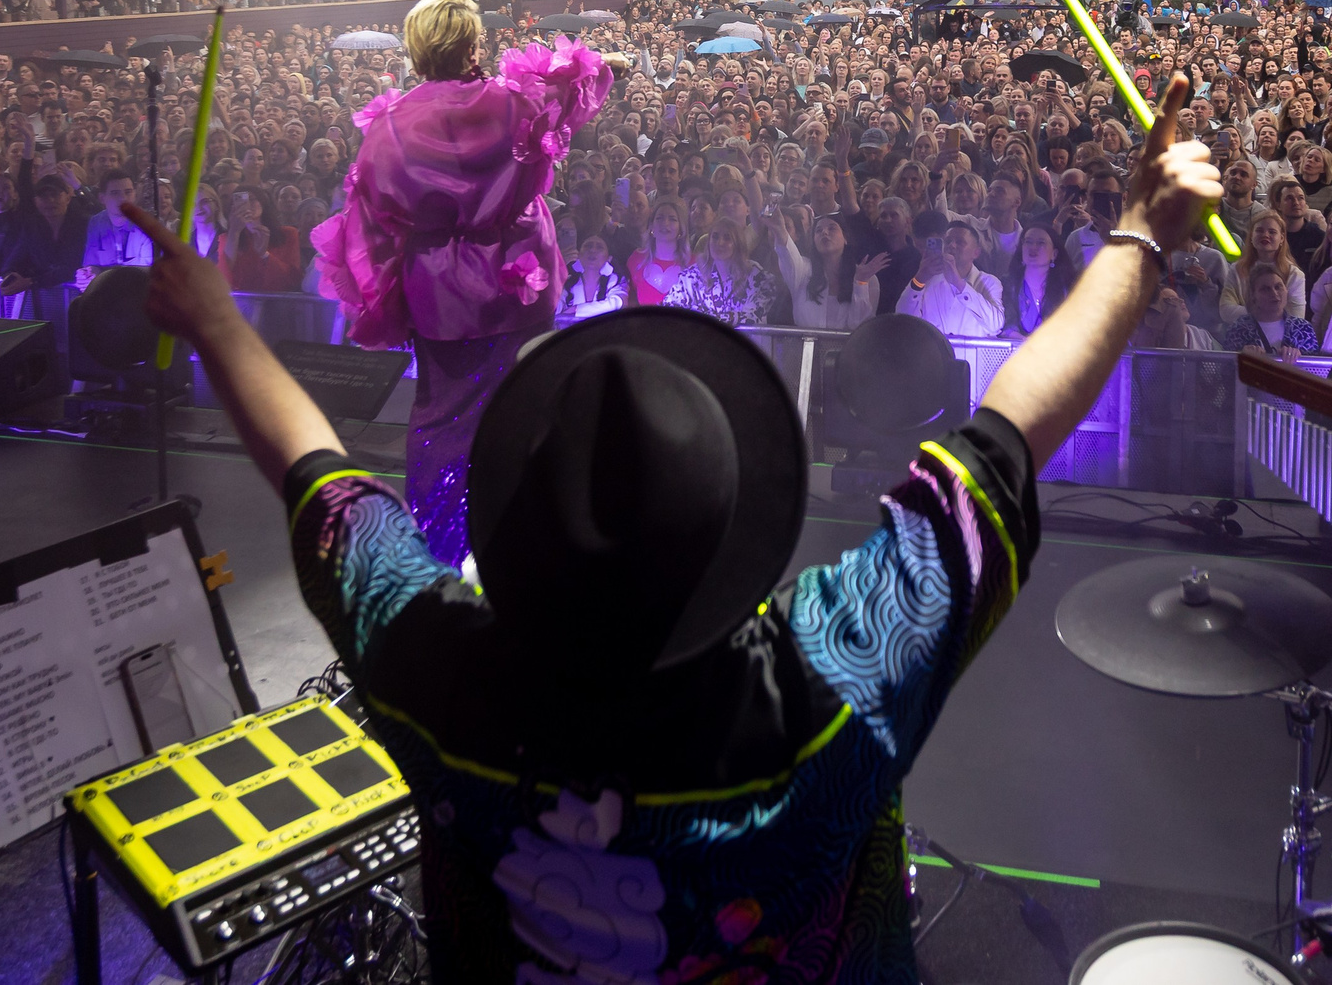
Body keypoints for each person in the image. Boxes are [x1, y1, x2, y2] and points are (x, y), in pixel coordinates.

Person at [115, 75, 1218, 983]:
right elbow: (1011, 433)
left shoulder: (431, 669)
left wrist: (214, 322)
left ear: (519, 535)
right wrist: (1141, 235)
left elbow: (315, 476)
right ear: (732, 533)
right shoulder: (837, 674)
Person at [313, 0, 614, 563]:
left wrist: (383, 297)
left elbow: (372, 222)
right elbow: (577, 86)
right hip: (515, 281)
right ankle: (522, 552)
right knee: (526, 412)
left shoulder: (391, 126)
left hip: (440, 292)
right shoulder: (512, 103)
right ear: (475, 42)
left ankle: (441, 557)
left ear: (417, 47)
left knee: (443, 421)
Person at [772, 209, 882, 331]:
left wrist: (860, 283)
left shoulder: (868, 278)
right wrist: (779, 228)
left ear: (845, 238)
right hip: (804, 347)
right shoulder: (803, 269)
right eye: (818, 230)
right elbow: (786, 253)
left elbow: (859, 327)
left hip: (847, 349)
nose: (824, 232)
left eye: (832, 228)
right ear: (813, 241)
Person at [665, 217, 781, 325]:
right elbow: (670, 306)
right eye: (715, 237)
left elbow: (753, 315)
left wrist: (699, 316)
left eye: (727, 238)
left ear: (738, 244)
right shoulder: (693, 275)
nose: (719, 243)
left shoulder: (756, 277)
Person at [900, 218, 1004, 337]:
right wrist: (919, 279)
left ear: (976, 253)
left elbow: (996, 325)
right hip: (935, 354)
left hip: (971, 354)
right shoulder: (928, 280)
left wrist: (959, 284)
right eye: (948, 241)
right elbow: (904, 319)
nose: (952, 245)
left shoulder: (989, 282)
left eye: (960, 242)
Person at [1217, 261, 1317, 359]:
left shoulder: (1303, 329)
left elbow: (1318, 371)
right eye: (1265, 289)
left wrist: (1300, 361)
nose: (1274, 293)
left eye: (1278, 287)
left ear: (1286, 290)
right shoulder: (1238, 329)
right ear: (1253, 295)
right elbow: (1225, 371)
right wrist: (1242, 359)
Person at [74, 168, 154, 290]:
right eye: (115, 193)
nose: (123, 198)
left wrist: (102, 276)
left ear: (135, 193)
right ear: (102, 198)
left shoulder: (146, 223)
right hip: (107, 294)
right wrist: (86, 275)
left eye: (128, 192)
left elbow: (143, 274)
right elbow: (92, 264)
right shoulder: (96, 222)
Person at [1001, 222, 1074, 336]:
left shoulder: (1067, 286)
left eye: (1041, 243)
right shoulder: (1009, 283)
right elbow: (1007, 324)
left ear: (1054, 254)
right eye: (1028, 242)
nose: (1033, 247)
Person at [626, 201, 687, 307]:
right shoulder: (636, 259)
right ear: (651, 226)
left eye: (672, 219)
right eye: (659, 218)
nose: (665, 223)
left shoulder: (694, 264)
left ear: (681, 229)